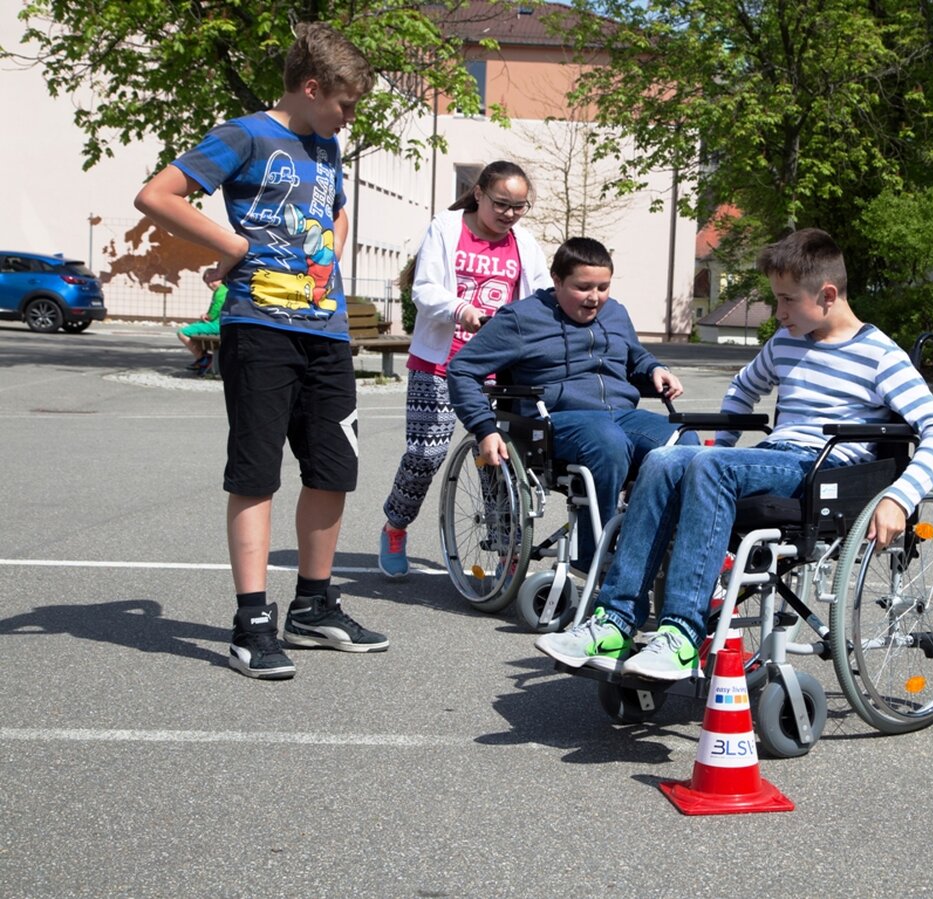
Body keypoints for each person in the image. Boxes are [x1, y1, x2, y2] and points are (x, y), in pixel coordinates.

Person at [535, 228, 933, 680]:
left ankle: (680, 635)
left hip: (825, 469)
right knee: (663, 459)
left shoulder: (880, 356)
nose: (778, 313)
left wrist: (898, 498)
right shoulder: (786, 343)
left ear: (827, 295)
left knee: (708, 466)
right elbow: (743, 389)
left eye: (787, 300)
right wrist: (717, 452)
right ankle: (614, 622)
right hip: (778, 456)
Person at [134, 22, 388, 680]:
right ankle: (251, 624)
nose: (350, 118)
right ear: (313, 88)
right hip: (262, 328)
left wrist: (326, 255)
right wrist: (233, 247)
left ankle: (312, 606)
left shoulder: (326, 147)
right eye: (345, 104)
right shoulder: (244, 135)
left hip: (326, 331)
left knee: (333, 468)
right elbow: (157, 195)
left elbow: (335, 213)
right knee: (256, 473)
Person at [447, 236, 697, 574]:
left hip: (621, 415)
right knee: (608, 442)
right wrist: (484, 428)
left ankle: (653, 546)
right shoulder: (521, 319)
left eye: (603, 287)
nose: (595, 298)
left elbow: (634, 357)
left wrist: (654, 368)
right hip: (555, 420)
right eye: (583, 287)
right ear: (557, 280)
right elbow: (462, 369)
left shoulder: (616, 313)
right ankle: (592, 555)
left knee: (683, 440)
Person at [377, 161, 553, 579]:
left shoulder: (524, 243)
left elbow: (542, 292)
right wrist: (461, 310)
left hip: (497, 371)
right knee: (425, 454)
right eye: (501, 203)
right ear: (479, 194)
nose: (509, 214)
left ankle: (506, 550)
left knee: (498, 457)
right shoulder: (446, 228)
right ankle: (395, 526)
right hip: (440, 362)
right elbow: (424, 289)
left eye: (519, 207)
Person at [177, 269, 226, 375]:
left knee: (182, 332)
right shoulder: (222, 290)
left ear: (221, 278)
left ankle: (203, 359)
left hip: (217, 325)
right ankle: (203, 358)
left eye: (213, 281)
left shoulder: (221, 291)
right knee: (195, 327)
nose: (210, 284)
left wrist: (208, 316)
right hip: (220, 323)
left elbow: (217, 308)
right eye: (207, 282)